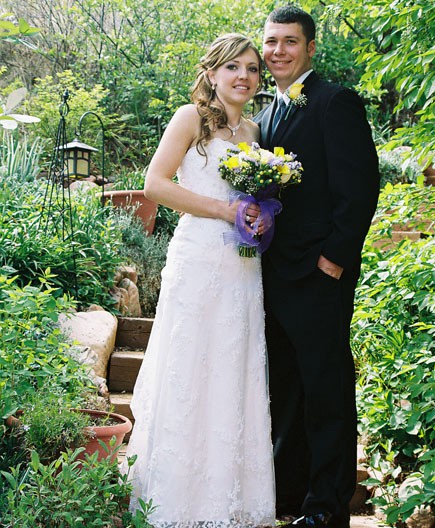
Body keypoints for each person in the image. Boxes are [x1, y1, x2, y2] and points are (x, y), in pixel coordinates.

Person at [123, 33, 275, 528]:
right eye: (233, 67)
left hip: (242, 267)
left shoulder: (254, 133)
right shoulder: (189, 119)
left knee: (235, 370)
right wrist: (223, 209)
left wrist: (258, 216)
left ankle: (226, 501)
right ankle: (175, 501)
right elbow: (156, 184)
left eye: (252, 69)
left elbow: (251, 199)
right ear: (211, 73)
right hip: (198, 260)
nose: (244, 77)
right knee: (190, 369)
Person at [254, 6, 380, 528]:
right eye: (271, 41)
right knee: (285, 389)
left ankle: (327, 508)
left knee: (326, 391)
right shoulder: (265, 115)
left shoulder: (335, 102)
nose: (277, 51)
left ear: (309, 48)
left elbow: (360, 188)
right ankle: (291, 497)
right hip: (271, 277)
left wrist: (335, 259)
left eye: (289, 41)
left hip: (318, 275)